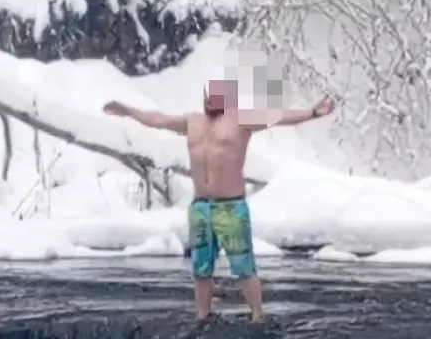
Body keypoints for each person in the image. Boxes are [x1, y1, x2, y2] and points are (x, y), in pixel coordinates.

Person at [103, 80, 335, 323]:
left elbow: (278, 117)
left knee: (243, 265)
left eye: (214, 98)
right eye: (206, 97)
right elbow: (158, 120)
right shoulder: (192, 122)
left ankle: (257, 315)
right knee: (201, 267)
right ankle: (202, 315)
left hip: (231, 206)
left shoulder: (240, 121)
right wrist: (128, 111)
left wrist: (311, 113)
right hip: (201, 206)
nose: (208, 102)